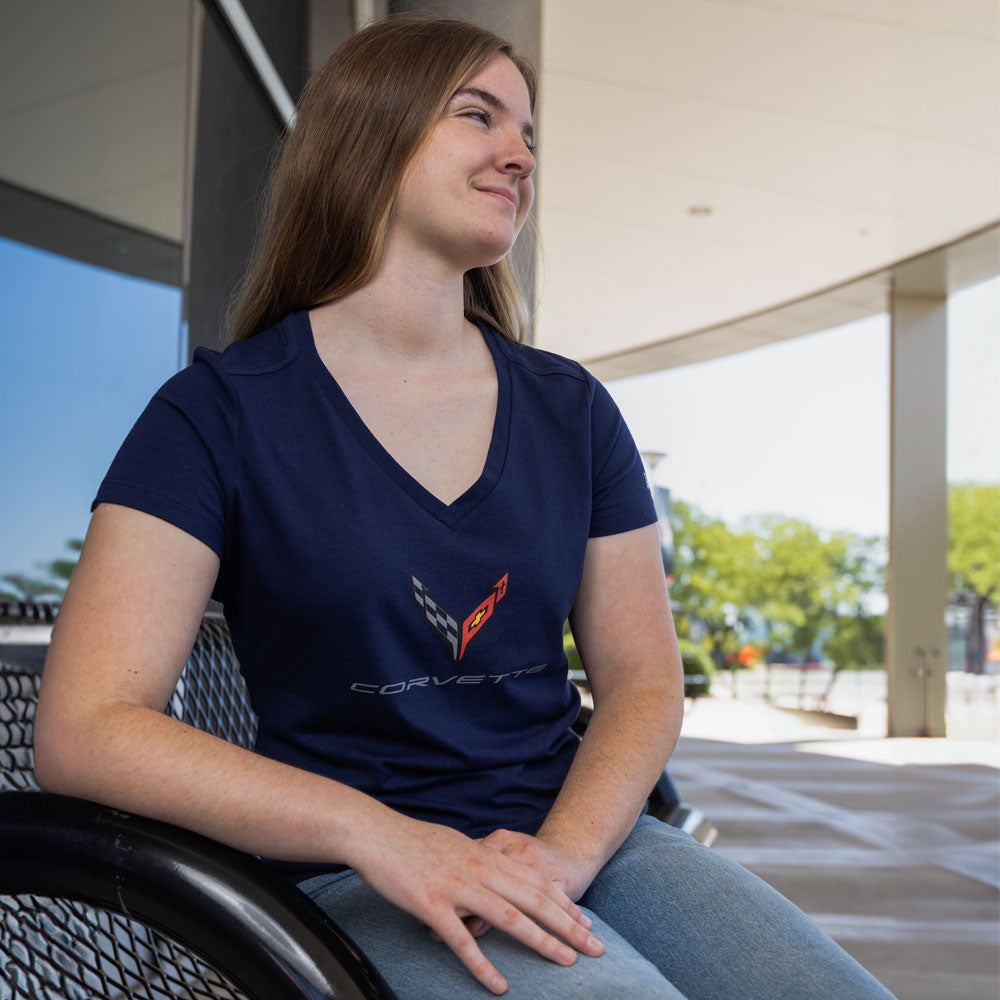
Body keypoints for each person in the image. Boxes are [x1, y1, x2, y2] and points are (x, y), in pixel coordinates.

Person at [35, 16, 896, 1000]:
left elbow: (644, 683)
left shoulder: (572, 410)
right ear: (370, 133)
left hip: (584, 847)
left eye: (527, 133)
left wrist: (561, 859)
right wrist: (380, 834)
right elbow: (87, 725)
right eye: (478, 116)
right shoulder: (219, 413)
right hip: (356, 878)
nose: (519, 155)